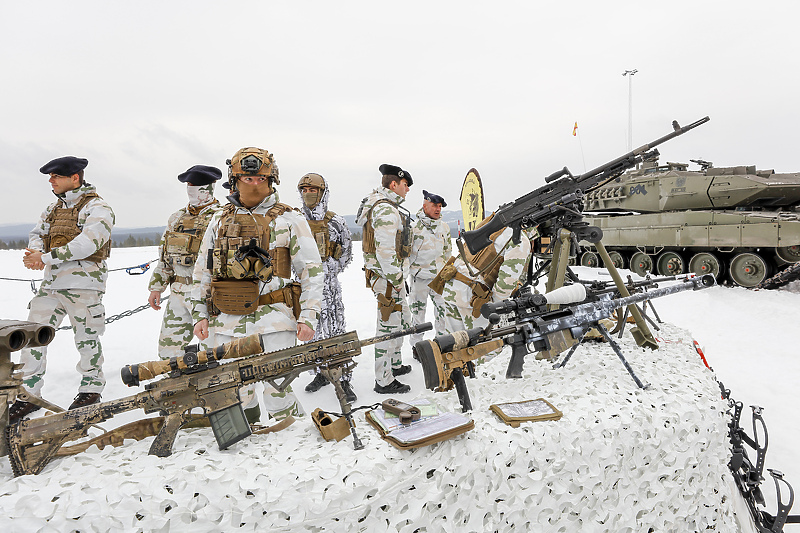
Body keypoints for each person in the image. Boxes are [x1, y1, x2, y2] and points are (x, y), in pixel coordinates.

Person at [191, 147, 322, 423]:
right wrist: (199, 315)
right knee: (237, 396)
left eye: (260, 179)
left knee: (279, 393)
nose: (253, 184)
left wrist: (308, 317)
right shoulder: (219, 220)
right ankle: (249, 449)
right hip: (226, 323)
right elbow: (203, 270)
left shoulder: (290, 219)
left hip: (274, 323)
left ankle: (292, 448)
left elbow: (311, 272)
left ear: (271, 179)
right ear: (234, 179)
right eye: (246, 179)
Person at [10, 156, 115, 423]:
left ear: (75, 178)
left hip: (84, 286)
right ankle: (28, 395)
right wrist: (36, 250)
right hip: (52, 285)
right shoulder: (52, 209)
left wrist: (44, 258)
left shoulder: (98, 208)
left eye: (56, 176)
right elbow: (37, 233)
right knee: (31, 337)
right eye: (51, 176)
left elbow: (87, 244)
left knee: (86, 340)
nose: (51, 180)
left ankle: (91, 390)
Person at [148, 165, 222, 360]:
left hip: (208, 294)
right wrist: (156, 287)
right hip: (178, 292)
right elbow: (165, 256)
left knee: (212, 350)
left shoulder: (221, 217)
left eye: (198, 185)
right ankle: (173, 387)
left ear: (211, 187)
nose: (192, 189)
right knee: (168, 350)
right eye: (189, 184)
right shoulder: (177, 218)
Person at [296, 173, 356, 402]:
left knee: (336, 331)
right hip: (304, 288)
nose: (308, 194)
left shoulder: (335, 221)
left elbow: (346, 252)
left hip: (330, 287)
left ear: (322, 192)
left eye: (313, 190)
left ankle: (344, 379)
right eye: (304, 190)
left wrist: (329, 268)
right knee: (312, 332)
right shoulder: (296, 220)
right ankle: (320, 373)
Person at [355, 164, 414, 394]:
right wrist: (398, 279)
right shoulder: (387, 210)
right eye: (405, 185)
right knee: (387, 329)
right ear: (393, 184)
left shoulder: (379, 205)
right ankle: (384, 380)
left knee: (395, 325)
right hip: (388, 280)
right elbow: (386, 252)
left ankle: (393, 366)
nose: (407, 190)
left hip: (385, 278)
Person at [432, 221, 537, 333]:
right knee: (484, 346)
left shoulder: (493, 221)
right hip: (474, 299)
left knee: (454, 343)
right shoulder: (520, 239)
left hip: (452, 286)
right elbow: (506, 283)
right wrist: (496, 307)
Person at [407, 189, 452, 347]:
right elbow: (406, 254)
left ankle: (441, 343)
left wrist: (446, 271)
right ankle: (416, 346)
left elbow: (447, 251)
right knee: (418, 315)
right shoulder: (413, 228)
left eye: (440, 206)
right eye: (434, 205)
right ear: (425, 205)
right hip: (419, 279)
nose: (438, 209)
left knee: (443, 311)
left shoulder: (444, 227)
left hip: (439, 279)